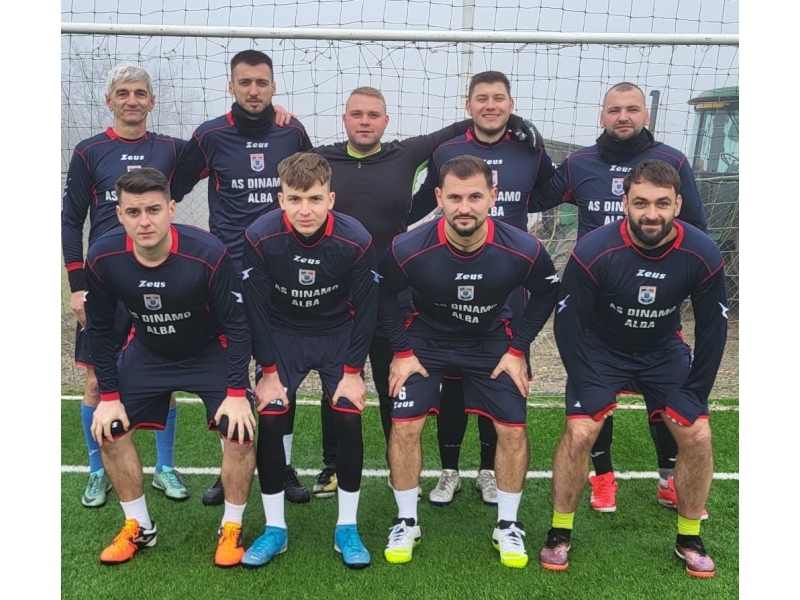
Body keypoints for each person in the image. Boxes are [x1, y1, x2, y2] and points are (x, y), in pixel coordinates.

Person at [311, 86, 543, 499]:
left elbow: (456, 129)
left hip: (394, 290)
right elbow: (288, 166)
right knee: (339, 382)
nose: (365, 121)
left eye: (373, 115)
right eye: (356, 114)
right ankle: (333, 464)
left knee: (394, 384)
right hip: (339, 297)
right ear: (344, 119)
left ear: (386, 121)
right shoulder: (322, 159)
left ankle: (399, 469)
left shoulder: (406, 153)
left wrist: (514, 122)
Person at [538, 159, 727, 577]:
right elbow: (567, 322)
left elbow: (714, 329)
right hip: (601, 350)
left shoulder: (702, 252)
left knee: (697, 434)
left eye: (662, 203)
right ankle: (559, 532)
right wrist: (586, 380)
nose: (651, 213)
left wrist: (695, 391)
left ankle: (689, 538)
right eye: (641, 202)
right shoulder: (594, 249)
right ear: (625, 203)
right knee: (580, 432)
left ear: (678, 205)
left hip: (662, 350)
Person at [530, 81, 709, 515]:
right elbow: (537, 197)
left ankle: (668, 478)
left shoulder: (673, 160)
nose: (623, 117)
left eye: (632, 109)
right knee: (597, 396)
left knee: (666, 395)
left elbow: (697, 226)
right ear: (602, 116)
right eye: (614, 110)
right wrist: (533, 152)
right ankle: (603, 477)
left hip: (655, 300)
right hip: (596, 301)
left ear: (646, 115)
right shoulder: (580, 163)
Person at [379, 155, 559, 568]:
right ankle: (406, 520)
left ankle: (508, 525)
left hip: (491, 340)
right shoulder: (407, 247)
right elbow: (383, 294)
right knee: (404, 424)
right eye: (455, 197)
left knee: (513, 429)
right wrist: (402, 351)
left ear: (493, 197)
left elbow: (547, 293)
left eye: (475, 197)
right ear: (438, 197)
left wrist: (518, 349)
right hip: (427, 339)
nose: (465, 207)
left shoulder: (523, 248)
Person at [84, 167, 257, 568]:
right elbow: (100, 330)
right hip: (149, 351)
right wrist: (108, 396)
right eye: (133, 212)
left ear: (172, 209)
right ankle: (139, 526)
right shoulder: (104, 256)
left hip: (207, 351)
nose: (144, 221)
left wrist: (236, 392)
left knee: (240, 431)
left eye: (153, 210)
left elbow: (237, 325)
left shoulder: (207, 252)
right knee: (108, 428)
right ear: (120, 215)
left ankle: (231, 526)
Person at [171, 49, 314, 506]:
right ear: (231, 86)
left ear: (274, 87)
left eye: (262, 82)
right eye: (245, 82)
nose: (254, 90)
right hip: (226, 274)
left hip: (280, 272)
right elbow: (173, 189)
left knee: (279, 372)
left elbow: (313, 187)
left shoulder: (292, 132)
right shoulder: (210, 135)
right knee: (228, 370)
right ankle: (228, 467)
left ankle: (281, 465)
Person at [409, 71, 553, 507]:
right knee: (452, 383)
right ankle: (449, 470)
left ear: (512, 104)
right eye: (481, 98)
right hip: (452, 276)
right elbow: (420, 203)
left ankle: (489, 471)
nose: (491, 105)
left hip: (509, 283)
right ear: (467, 104)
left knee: (499, 376)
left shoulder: (531, 149)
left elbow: (550, 193)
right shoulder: (446, 150)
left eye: (499, 98)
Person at [240, 153, 378, 569]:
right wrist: (267, 372)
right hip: (283, 333)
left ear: (330, 199)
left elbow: (367, 308)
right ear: (281, 199)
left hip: (336, 333)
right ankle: (275, 529)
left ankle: (347, 527)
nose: (306, 210)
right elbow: (255, 308)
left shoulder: (356, 239)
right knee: (271, 414)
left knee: (348, 414)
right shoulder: (259, 236)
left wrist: (353, 373)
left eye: (315, 199)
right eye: (296, 199)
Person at [61, 63, 188, 508]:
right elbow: (71, 220)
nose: (131, 100)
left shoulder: (172, 149)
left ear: (152, 101)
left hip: (158, 278)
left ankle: (165, 468)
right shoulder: (88, 151)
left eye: (139, 93)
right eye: (123, 93)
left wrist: (278, 117)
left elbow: (220, 148)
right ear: (109, 100)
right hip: (104, 282)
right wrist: (77, 285)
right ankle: (98, 471)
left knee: (164, 374)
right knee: (96, 380)